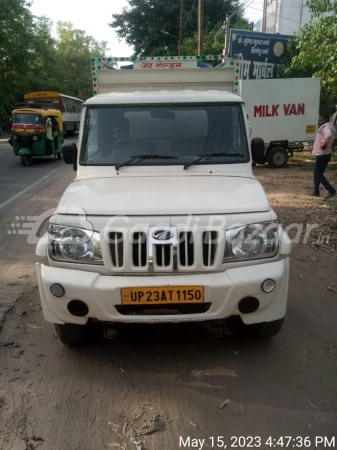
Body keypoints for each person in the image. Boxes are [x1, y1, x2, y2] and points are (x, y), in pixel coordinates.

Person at [312, 113, 336, 200]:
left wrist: (322, 144)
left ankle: (331, 190)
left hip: (322, 154)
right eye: (318, 120)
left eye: (320, 120)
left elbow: (328, 135)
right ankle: (316, 191)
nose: (319, 122)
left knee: (318, 174)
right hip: (323, 153)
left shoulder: (327, 127)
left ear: (325, 120)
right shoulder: (326, 127)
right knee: (316, 173)